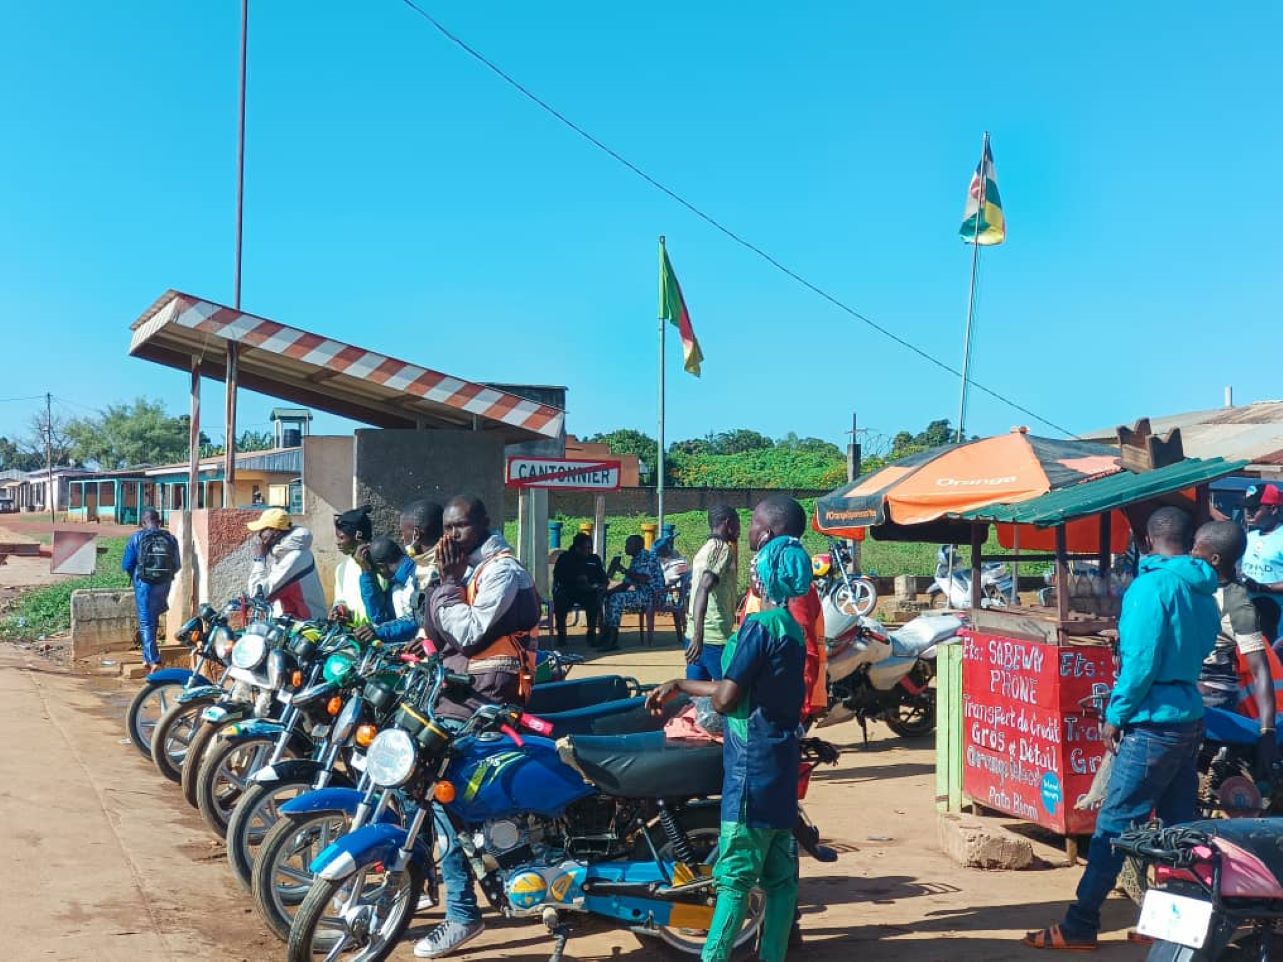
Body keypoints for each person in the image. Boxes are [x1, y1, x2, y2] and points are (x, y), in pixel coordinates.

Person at [1024, 506, 1220, 951]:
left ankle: (1079, 924)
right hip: (1187, 715)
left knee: (1114, 825)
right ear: (1188, 543)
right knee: (1178, 830)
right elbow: (1197, 645)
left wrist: (1116, 714)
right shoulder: (1204, 589)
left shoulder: (1150, 588)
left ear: (1148, 541)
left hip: (1151, 720)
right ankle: (1172, 926)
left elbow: (1141, 662)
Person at [645, 526, 812, 962]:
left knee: (734, 880)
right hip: (778, 767)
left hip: (750, 769)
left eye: (756, 567)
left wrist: (686, 685)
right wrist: (682, 683)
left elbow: (727, 696)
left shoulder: (759, 627)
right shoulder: (794, 631)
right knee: (780, 880)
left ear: (765, 577)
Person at [415, 496, 541, 959]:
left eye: (461, 527)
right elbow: (432, 628)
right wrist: (440, 583)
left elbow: (466, 632)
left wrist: (446, 584)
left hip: (488, 699)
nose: (451, 537)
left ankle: (464, 914)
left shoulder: (502, 571)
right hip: (460, 696)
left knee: (449, 800)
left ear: (485, 525)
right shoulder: (464, 570)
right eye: (447, 528)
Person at [1193, 521, 1279, 777]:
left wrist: (1267, 731)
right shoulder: (1192, 584)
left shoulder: (1237, 605)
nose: (1191, 554)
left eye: (1197, 550)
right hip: (1187, 690)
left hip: (1213, 700)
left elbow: (1260, 669)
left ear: (1215, 559)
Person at [122, 507, 181, 672]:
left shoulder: (137, 538)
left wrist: (136, 575)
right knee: (152, 619)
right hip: (164, 584)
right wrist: (163, 577)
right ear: (160, 522)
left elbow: (127, 564)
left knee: (146, 621)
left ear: (142, 523)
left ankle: (154, 661)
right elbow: (176, 565)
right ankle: (146, 658)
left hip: (144, 584)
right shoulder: (170, 539)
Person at [685, 505, 741, 681]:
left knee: (697, 697)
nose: (740, 530)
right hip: (712, 638)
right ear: (728, 523)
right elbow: (704, 587)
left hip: (695, 636)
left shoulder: (704, 549)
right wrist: (699, 636)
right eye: (738, 524)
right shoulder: (721, 549)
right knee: (728, 696)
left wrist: (695, 635)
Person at [246, 508, 327, 620]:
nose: (259, 535)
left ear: (276, 532)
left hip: (308, 627)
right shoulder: (286, 553)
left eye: (263, 530)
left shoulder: (294, 558)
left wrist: (259, 559)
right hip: (292, 624)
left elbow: (258, 596)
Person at [598, 534, 665, 651]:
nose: (626, 547)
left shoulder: (646, 557)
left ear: (639, 545)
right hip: (643, 593)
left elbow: (643, 579)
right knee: (610, 597)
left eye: (629, 544)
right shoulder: (636, 559)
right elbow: (626, 584)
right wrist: (607, 593)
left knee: (616, 599)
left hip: (653, 595)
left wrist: (623, 570)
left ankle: (612, 640)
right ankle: (607, 635)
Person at [354, 537, 420, 645]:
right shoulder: (395, 584)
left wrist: (379, 631)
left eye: (377, 571)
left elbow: (417, 620)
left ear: (381, 566)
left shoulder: (419, 576)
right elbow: (380, 617)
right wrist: (367, 574)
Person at [1241, 483, 1283, 646]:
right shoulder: (1249, 537)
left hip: (1277, 623)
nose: (1248, 513)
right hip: (1249, 619)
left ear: (1272, 509)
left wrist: (1264, 588)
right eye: (1246, 508)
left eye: (1254, 509)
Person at [551, 532, 607, 646]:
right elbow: (558, 576)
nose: (587, 551)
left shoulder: (594, 559)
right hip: (568, 589)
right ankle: (561, 633)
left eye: (590, 548)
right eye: (584, 548)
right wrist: (576, 578)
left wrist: (600, 585)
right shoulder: (565, 558)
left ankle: (591, 632)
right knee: (560, 599)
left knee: (594, 599)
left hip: (588, 591)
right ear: (577, 547)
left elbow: (603, 577)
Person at [332, 505, 375, 622]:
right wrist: (339, 609)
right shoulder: (342, 568)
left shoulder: (379, 564)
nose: (337, 543)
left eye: (341, 537)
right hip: (354, 636)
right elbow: (341, 599)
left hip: (379, 634)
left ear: (358, 536)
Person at [400, 499, 444, 588]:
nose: (402, 538)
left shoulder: (441, 572)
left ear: (416, 534)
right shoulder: (421, 564)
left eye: (402, 532)